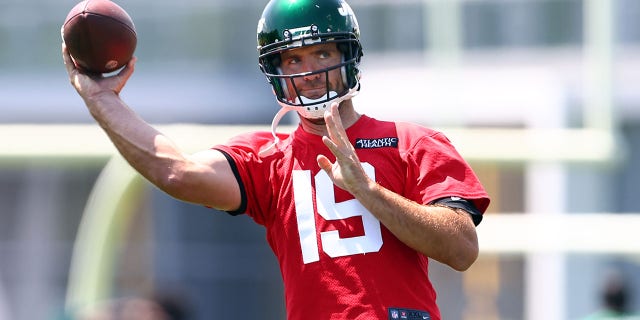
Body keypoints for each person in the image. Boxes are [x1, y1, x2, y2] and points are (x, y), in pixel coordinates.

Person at [62, 0, 490, 319]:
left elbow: (460, 248)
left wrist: (369, 191)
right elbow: (178, 173)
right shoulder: (268, 157)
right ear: (275, 71)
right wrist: (101, 99)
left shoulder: (413, 141)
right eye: (293, 59)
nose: (308, 71)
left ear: (348, 55)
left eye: (321, 53)